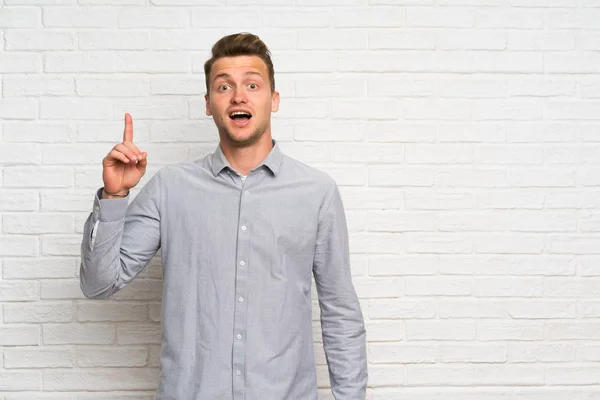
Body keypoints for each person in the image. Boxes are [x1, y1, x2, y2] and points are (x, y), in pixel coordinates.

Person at [80, 32, 367, 400]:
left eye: (252, 84)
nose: (238, 96)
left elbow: (341, 314)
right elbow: (99, 284)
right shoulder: (170, 188)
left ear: (273, 99)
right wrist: (115, 196)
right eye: (223, 86)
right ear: (208, 103)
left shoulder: (317, 193)